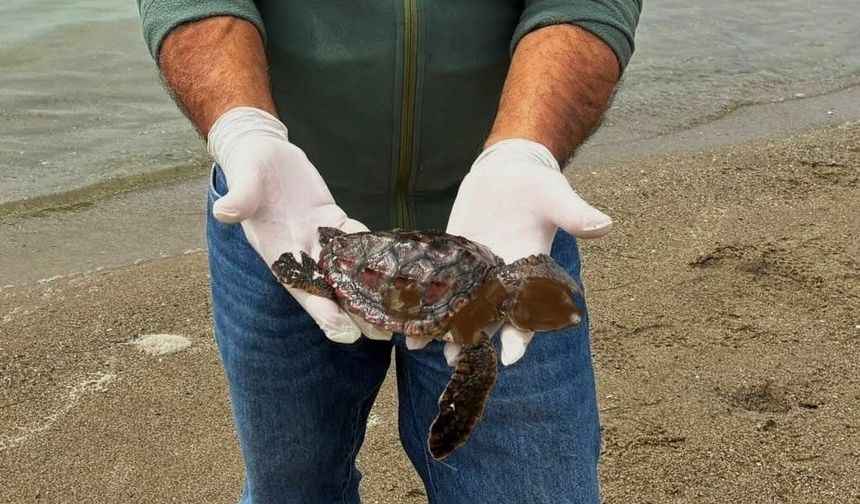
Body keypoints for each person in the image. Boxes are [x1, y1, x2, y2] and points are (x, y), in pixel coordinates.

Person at [137, 1, 640, 502]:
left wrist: (526, 150)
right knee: (290, 488)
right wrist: (243, 129)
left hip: (510, 211)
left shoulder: (503, 263)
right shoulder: (488, 282)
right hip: (280, 210)